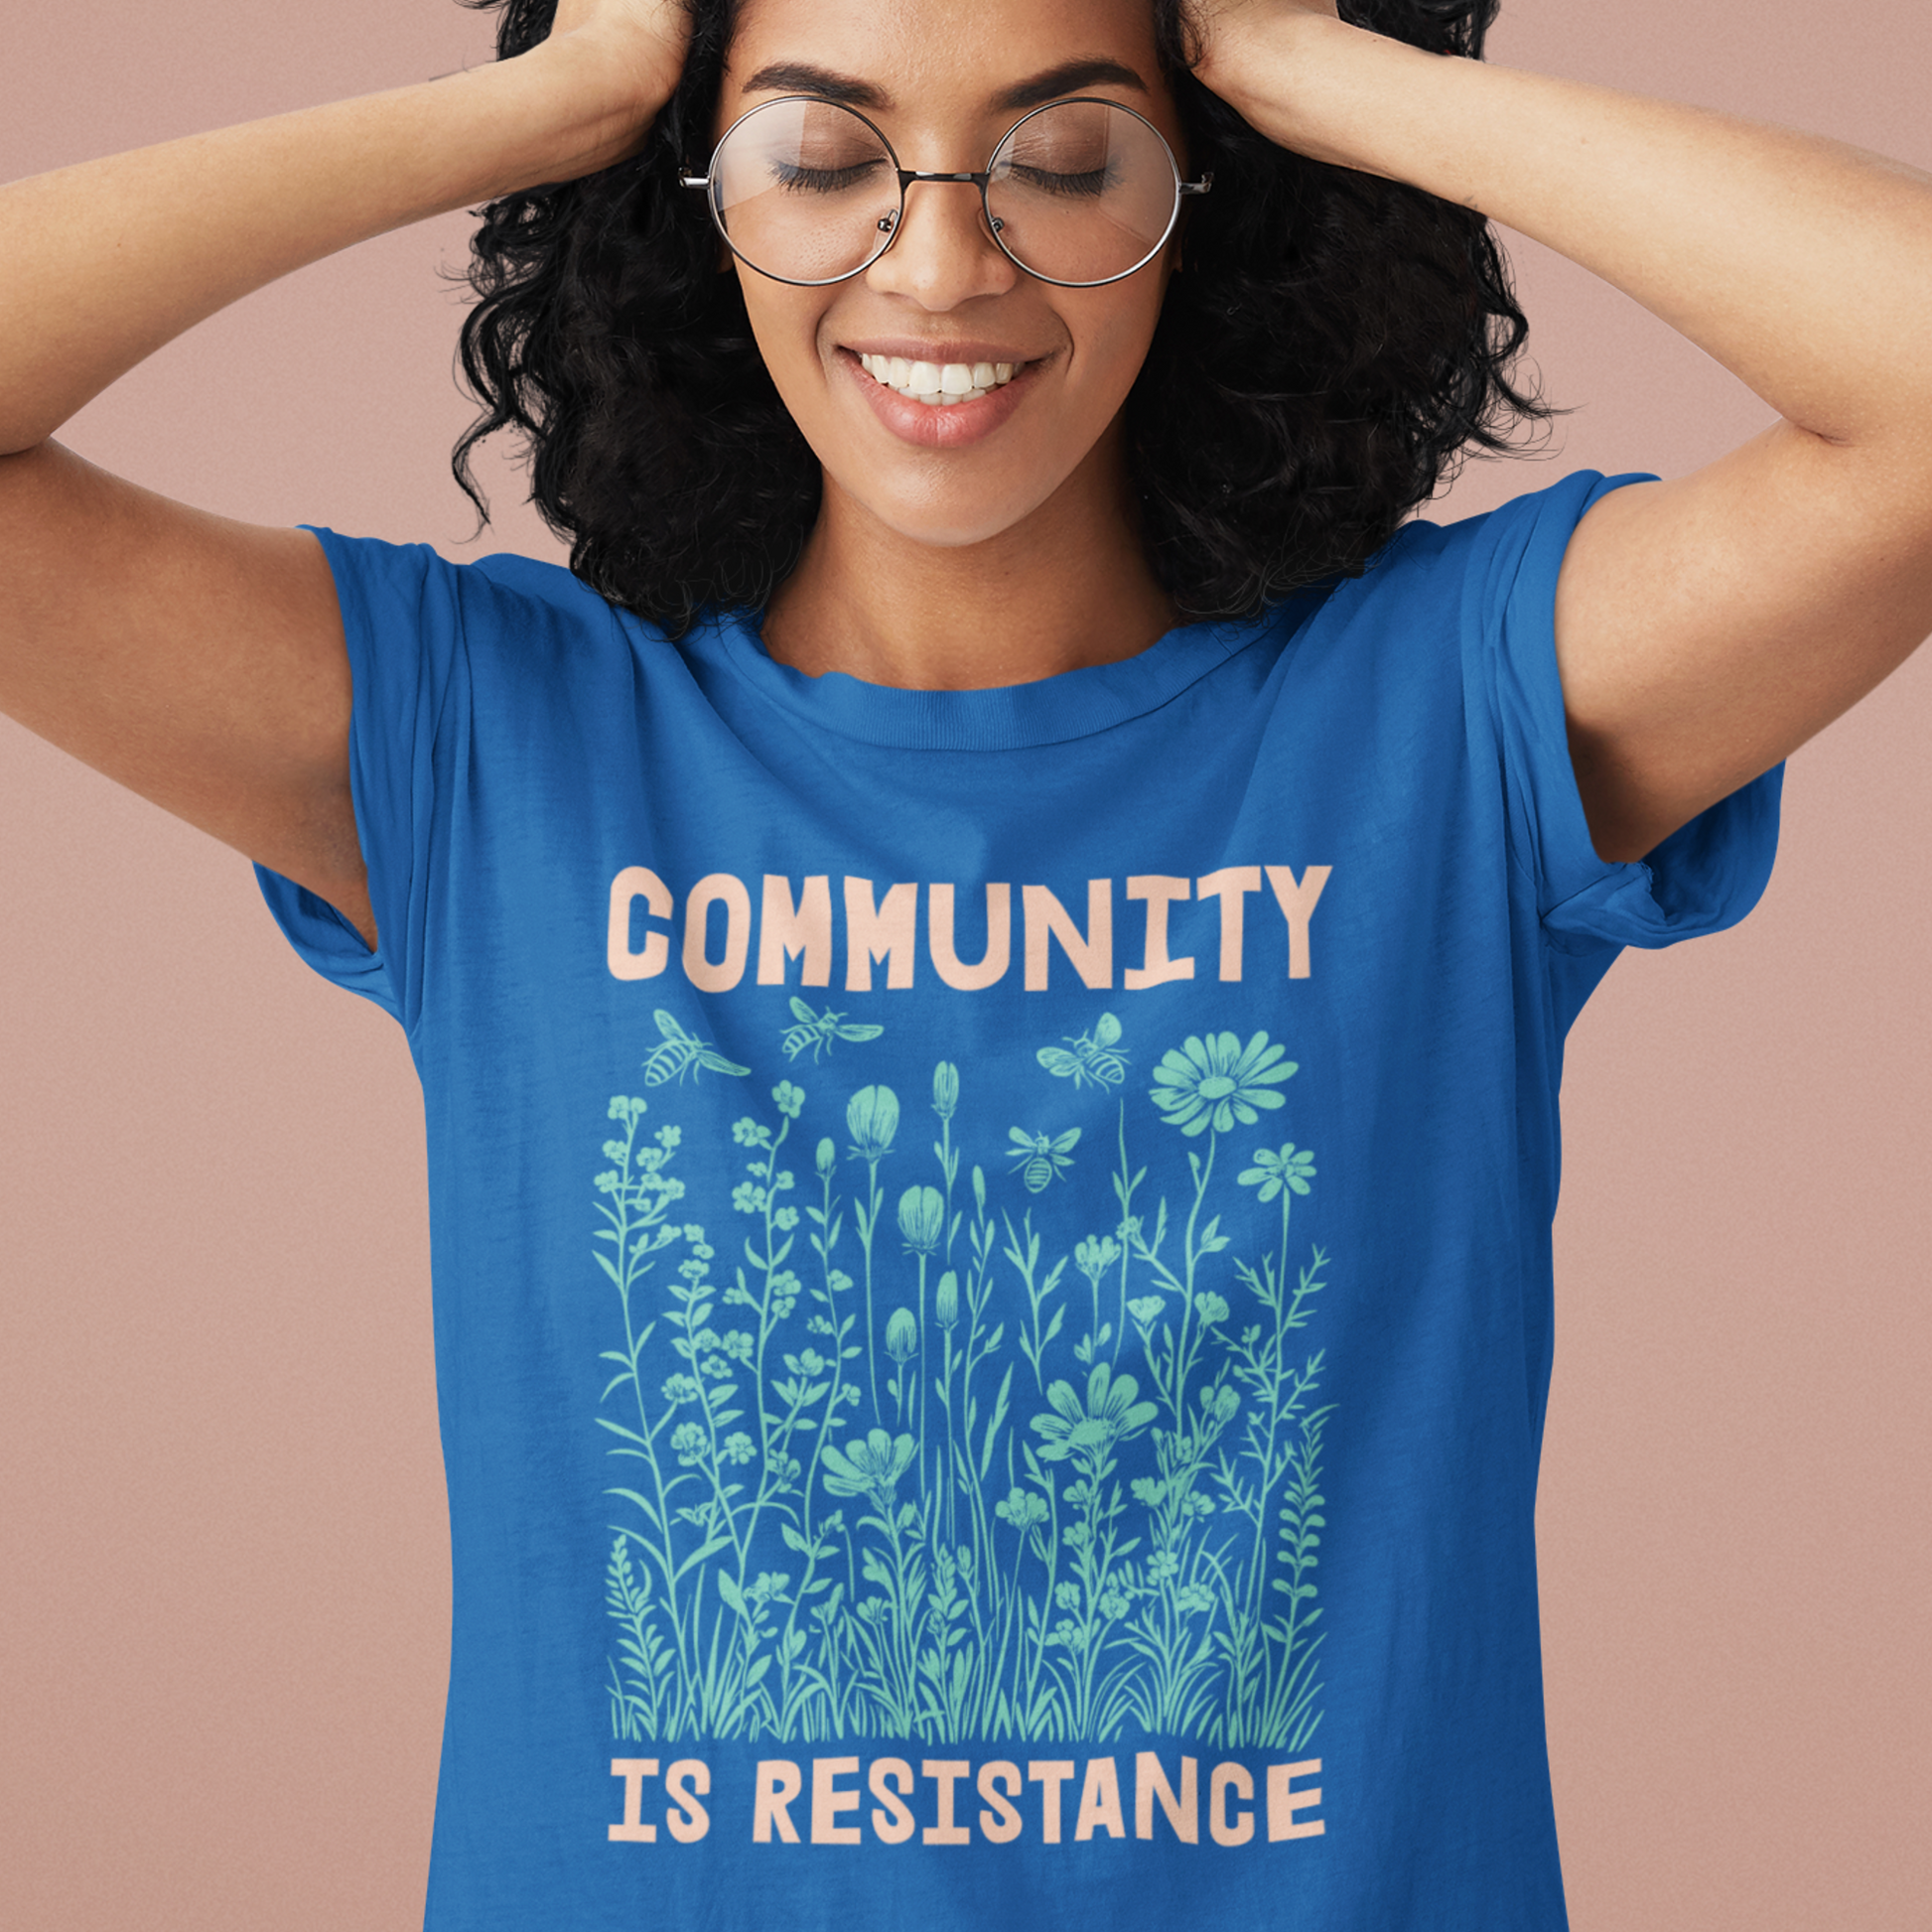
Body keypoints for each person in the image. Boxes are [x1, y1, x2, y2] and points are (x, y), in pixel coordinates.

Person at [3, 0, 1928, 1927]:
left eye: (1071, 161)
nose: (937, 264)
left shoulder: (1442, 717)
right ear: (692, 197)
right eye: (819, 162)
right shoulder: (496, 743)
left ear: (1204, 186)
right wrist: (554, 102)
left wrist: (1324, 74)